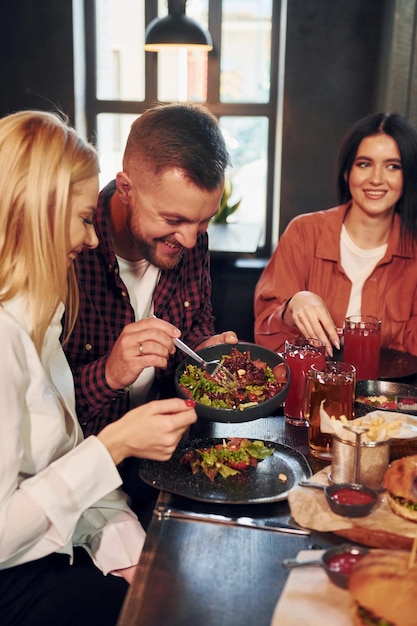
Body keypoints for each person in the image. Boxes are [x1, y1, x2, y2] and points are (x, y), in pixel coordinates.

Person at [0, 110, 197, 626]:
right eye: (85, 219)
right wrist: (115, 443)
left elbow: (68, 469)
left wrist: (136, 556)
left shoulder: (42, 313)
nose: (91, 239)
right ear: (35, 212)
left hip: (55, 548)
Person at [254, 112, 417, 357]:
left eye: (393, 166)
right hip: (310, 389)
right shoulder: (304, 233)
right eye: (364, 164)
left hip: (392, 393)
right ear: (346, 172)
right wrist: (293, 305)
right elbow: (266, 336)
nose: (376, 179)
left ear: (408, 177)